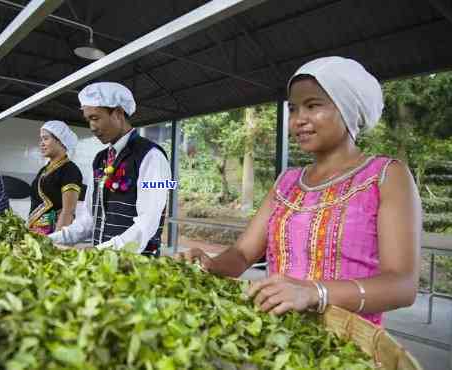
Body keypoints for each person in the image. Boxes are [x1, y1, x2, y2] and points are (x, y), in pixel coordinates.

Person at [177, 56, 421, 325]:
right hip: (279, 332)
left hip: (348, 343)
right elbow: (243, 254)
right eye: (293, 109)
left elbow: (402, 285)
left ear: (348, 109)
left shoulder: (386, 176)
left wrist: (314, 291)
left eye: (312, 106)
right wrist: (210, 264)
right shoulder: (288, 182)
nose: (297, 120)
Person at [48, 82, 172, 257]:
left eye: (95, 118)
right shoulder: (100, 160)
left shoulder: (152, 157)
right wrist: (51, 239)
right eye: (88, 120)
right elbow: (90, 218)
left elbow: (148, 221)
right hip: (103, 262)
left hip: (136, 267)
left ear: (118, 113)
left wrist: (102, 252)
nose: (91, 127)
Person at [28, 120, 84, 235]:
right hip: (36, 231)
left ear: (60, 141)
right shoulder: (44, 170)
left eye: (46, 138)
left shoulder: (70, 171)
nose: (41, 143)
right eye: (41, 139)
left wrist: (56, 242)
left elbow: (68, 212)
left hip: (53, 233)